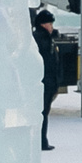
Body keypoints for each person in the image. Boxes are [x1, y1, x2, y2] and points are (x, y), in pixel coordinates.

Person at [32, 8, 62, 151]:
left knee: (43, 112)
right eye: (50, 23)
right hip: (44, 83)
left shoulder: (46, 39)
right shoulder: (41, 40)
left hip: (47, 83)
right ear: (43, 24)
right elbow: (47, 64)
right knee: (42, 113)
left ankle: (41, 140)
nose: (52, 26)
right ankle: (41, 142)